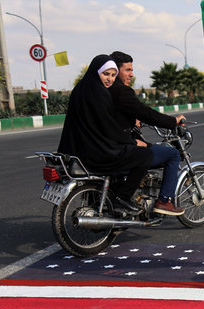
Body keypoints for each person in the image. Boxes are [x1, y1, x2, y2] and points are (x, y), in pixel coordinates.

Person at [57, 54, 153, 215]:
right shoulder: (99, 93)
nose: (109, 79)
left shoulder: (80, 89)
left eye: (113, 75)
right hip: (97, 153)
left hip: (79, 151)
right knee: (146, 155)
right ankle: (122, 199)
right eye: (105, 74)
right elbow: (107, 126)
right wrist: (132, 142)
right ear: (96, 72)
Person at [109, 51, 185, 216]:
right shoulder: (121, 91)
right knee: (172, 154)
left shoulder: (104, 90)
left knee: (147, 148)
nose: (131, 74)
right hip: (121, 148)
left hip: (109, 144)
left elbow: (117, 115)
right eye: (128, 70)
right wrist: (172, 122)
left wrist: (132, 120)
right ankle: (164, 201)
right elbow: (147, 113)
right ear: (115, 70)